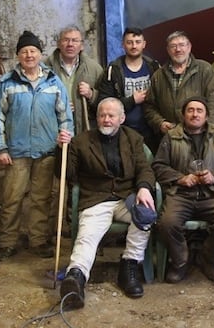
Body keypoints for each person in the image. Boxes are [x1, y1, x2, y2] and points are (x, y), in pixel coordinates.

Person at [57, 98, 157, 309]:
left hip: (125, 197)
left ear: (121, 118)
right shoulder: (81, 141)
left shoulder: (133, 138)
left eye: (111, 116)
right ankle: (76, 278)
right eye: (102, 115)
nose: (106, 119)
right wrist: (61, 150)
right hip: (96, 199)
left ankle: (129, 265)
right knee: (87, 237)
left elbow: (144, 168)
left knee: (145, 216)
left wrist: (144, 187)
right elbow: (66, 173)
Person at [0, 30, 73, 258]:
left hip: (46, 151)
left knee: (40, 198)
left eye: (33, 50)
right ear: (18, 56)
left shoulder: (53, 82)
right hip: (16, 152)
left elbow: (65, 116)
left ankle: (38, 240)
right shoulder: (6, 83)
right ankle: (7, 242)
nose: (29, 55)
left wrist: (66, 135)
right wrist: (0, 147)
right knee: (12, 198)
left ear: (39, 54)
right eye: (24, 51)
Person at [152, 97, 214, 284]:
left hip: (211, 194)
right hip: (181, 194)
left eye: (199, 110)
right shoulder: (171, 137)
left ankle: (208, 259)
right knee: (167, 223)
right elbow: (158, 166)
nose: (195, 114)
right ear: (183, 115)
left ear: (207, 115)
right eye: (190, 110)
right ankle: (180, 262)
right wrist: (180, 178)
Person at [143, 31, 214, 154]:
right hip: (170, 139)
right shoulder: (158, 75)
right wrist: (160, 123)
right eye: (173, 46)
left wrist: (208, 131)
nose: (178, 49)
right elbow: (149, 106)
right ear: (168, 50)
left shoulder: (204, 69)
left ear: (189, 47)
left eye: (182, 45)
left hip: (200, 138)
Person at [96, 27, 160, 143]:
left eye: (137, 42)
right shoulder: (113, 70)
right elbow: (104, 102)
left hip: (151, 130)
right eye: (129, 42)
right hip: (123, 132)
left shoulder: (154, 67)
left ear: (144, 44)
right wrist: (132, 100)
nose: (134, 46)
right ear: (123, 45)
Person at [46, 25, 103, 136]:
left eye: (75, 40)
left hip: (84, 131)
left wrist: (91, 94)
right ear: (58, 44)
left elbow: (106, 100)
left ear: (81, 45)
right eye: (66, 40)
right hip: (52, 130)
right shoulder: (45, 68)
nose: (70, 44)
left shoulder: (94, 69)